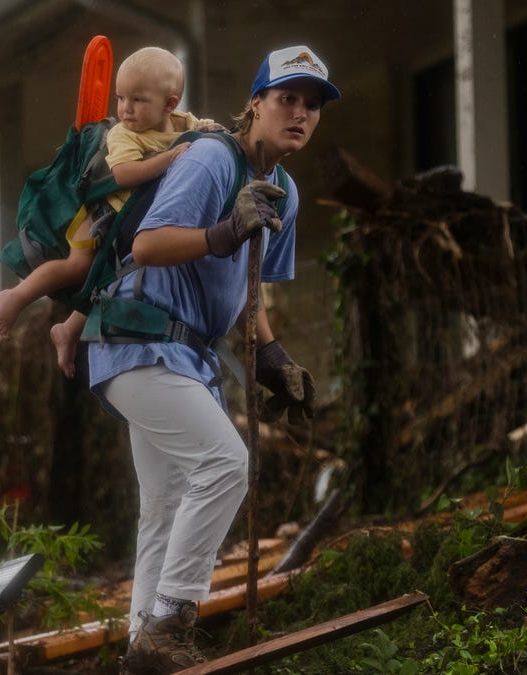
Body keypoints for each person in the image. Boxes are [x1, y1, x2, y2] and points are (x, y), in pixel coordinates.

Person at [76, 45, 340, 674]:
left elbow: (249, 294)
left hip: (185, 356)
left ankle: (143, 650)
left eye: (312, 105)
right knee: (225, 464)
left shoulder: (285, 191)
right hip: (137, 336)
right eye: (287, 99)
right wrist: (224, 231)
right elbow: (148, 244)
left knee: (164, 507)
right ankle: (172, 618)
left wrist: (272, 356)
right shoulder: (211, 158)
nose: (300, 113)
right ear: (256, 103)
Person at [0, 46, 217, 368]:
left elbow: (202, 128)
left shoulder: (183, 124)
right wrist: (166, 160)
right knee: (79, 267)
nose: (126, 109)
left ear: (170, 104)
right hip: (102, 214)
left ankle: (68, 331)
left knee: (111, 283)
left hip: (132, 222)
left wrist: (211, 132)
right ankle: (18, 296)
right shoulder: (124, 134)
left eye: (137, 100)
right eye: (121, 98)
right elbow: (123, 174)